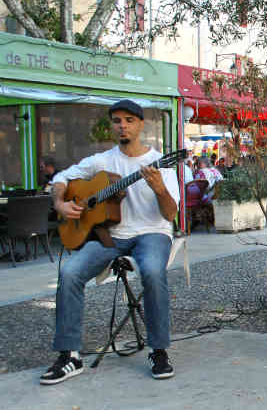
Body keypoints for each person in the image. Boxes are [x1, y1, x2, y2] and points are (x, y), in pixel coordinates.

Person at [41, 100, 180, 384]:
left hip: (152, 232)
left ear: (141, 124)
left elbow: (171, 214)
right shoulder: (101, 161)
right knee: (69, 272)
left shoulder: (161, 163)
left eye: (129, 120)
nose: (123, 126)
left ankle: (159, 350)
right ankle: (69, 355)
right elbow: (60, 178)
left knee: (153, 271)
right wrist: (60, 205)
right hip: (111, 236)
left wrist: (160, 189)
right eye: (117, 120)